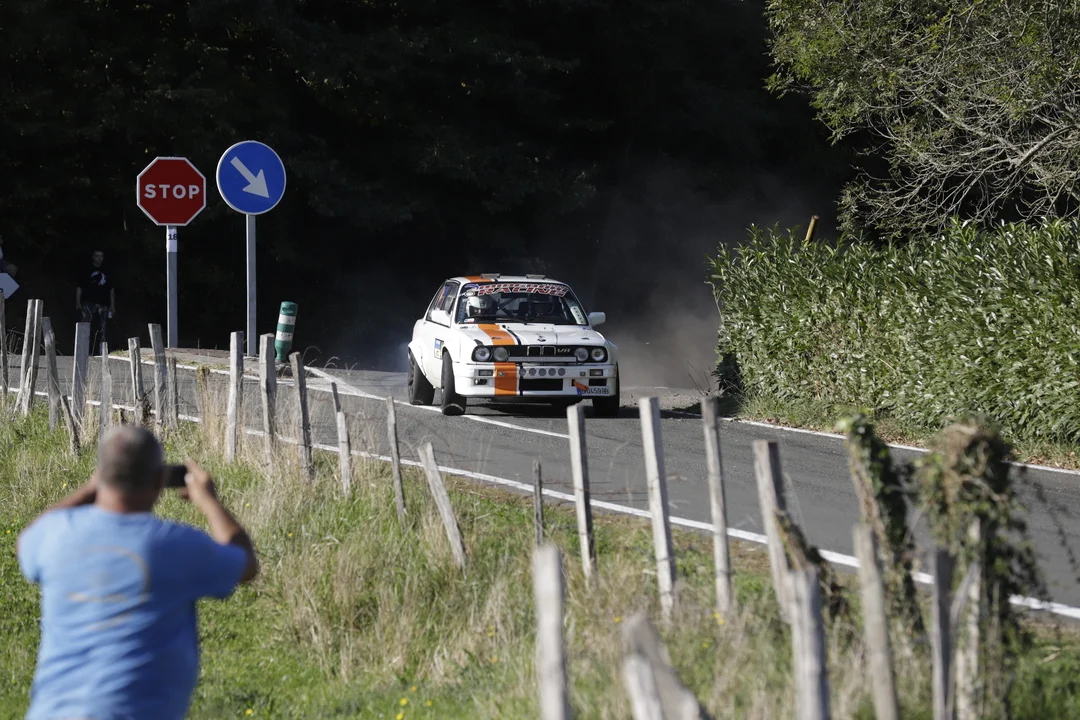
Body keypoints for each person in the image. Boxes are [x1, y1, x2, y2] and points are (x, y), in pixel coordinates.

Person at [16, 426, 259, 720]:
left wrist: (91, 488)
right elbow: (245, 564)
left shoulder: (55, 535)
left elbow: (28, 539)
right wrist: (209, 501)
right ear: (159, 480)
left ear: (101, 475)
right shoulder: (175, 545)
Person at [75, 249, 115, 353]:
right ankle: (83, 350)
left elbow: (111, 289)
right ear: (93, 257)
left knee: (103, 328)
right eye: (97, 256)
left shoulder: (107, 270)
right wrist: (78, 302)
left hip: (103, 303)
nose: (99, 258)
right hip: (88, 302)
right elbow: (79, 287)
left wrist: (112, 305)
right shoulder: (86, 270)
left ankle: (102, 352)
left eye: (101, 256)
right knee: (85, 326)